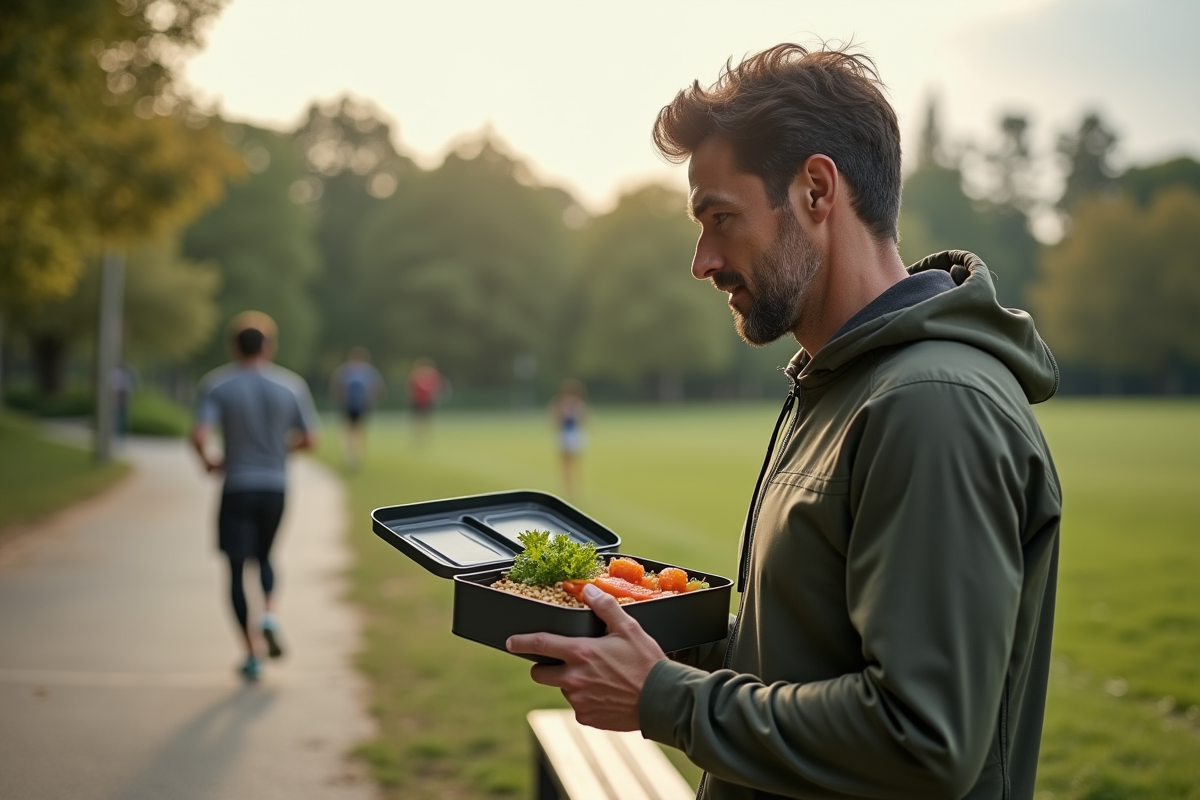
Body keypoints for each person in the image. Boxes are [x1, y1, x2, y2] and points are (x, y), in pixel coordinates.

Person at [508, 43, 1062, 800]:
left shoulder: (932, 404)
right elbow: (803, 659)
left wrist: (662, 699)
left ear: (816, 190)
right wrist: (650, 625)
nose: (702, 261)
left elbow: (922, 741)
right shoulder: (840, 384)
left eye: (721, 218)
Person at [191, 311, 318, 681]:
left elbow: (199, 435)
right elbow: (309, 439)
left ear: (234, 347)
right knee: (265, 557)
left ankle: (250, 652)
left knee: (234, 569)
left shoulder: (217, 385)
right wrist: (280, 452)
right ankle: (269, 616)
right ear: (269, 346)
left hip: (237, 486)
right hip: (274, 487)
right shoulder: (291, 386)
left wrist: (210, 463)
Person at [330, 346, 385, 470]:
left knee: (353, 431)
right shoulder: (365, 372)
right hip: (355, 405)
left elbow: (336, 387)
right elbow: (378, 388)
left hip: (356, 405)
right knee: (355, 431)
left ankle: (352, 456)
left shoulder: (347, 371)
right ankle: (353, 456)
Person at [550, 378, 588, 493]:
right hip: (566, 433)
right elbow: (555, 419)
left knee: (573, 461)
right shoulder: (561, 404)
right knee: (565, 462)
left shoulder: (578, 404)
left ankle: (573, 485)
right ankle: (567, 485)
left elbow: (584, 418)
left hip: (574, 433)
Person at [407, 358, 443, 444]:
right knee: (426, 419)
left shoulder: (415, 373)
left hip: (420, 399)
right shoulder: (432, 374)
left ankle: (419, 436)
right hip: (426, 399)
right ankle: (425, 436)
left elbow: (410, 387)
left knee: (418, 419)